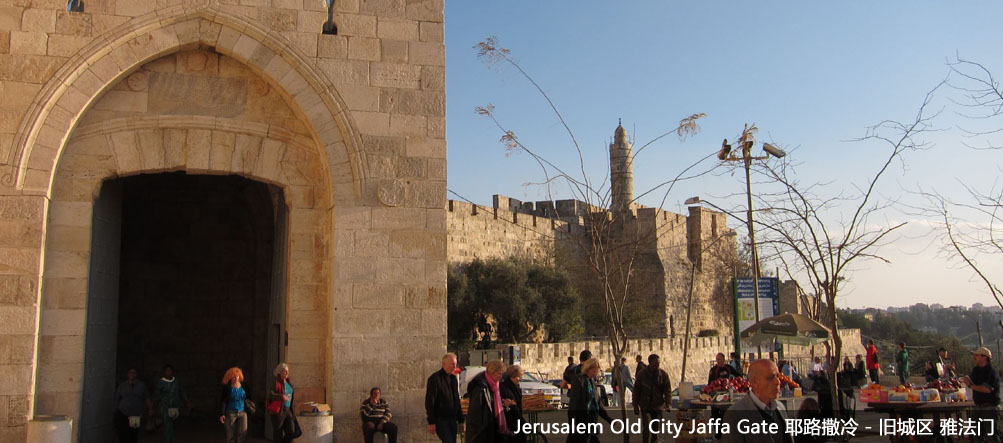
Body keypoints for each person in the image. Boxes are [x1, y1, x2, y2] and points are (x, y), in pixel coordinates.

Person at [721, 359, 794, 443]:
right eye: (770, 378)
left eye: (777, 376)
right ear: (755, 382)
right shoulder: (735, 414)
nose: (777, 382)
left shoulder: (780, 408)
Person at [567, 358, 613, 443]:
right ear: (588, 369)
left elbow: (598, 403)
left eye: (596, 371)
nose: (595, 374)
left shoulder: (592, 382)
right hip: (581, 422)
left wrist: (609, 419)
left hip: (591, 423)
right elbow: (574, 402)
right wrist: (572, 422)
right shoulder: (579, 380)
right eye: (594, 371)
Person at [962, 347, 1000, 443]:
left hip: (989, 408)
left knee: (991, 437)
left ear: (984, 357)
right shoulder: (976, 370)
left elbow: (987, 389)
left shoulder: (991, 372)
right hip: (977, 407)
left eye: (977, 355)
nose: (975, 357)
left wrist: (970, 385)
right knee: (976, 436)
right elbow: (971, 379)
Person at [426, 353, 465, 443]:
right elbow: (430, 401)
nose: (454, 366)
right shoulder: (435, 379)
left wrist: (461, 420)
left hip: (452, 418)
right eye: (451, 364)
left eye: (455, 364)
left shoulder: (453, 379)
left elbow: (456, 399)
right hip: (441, 419)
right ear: (444, 364)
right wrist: (431, 422)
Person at [466, 359, 508, 443]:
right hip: (482, 431)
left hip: (492, 427)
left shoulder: (495, 385)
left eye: (502, 374)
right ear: (492, 372)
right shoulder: (480, 387)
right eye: (499, 373)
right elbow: (475, 413)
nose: (501, 376)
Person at [633, 354, 671, 443]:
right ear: (650, 363)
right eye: (656, 363)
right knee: (646, 427)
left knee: (655, 429)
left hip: (657, 405)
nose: (658, 365)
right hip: (645, 405)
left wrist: (668, 403)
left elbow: (667, 390)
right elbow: (636, 390)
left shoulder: (663, 375)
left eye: (659, 363)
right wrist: (635, 405)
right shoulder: (642, 374)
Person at [153, 364, 191, 443]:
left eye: (170, 370)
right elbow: (157, 395)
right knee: (167, 425)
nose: (168, 372)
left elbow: (182, 392)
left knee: (173, 425)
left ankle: (171, 439)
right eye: (167, 371)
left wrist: (187, 402)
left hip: (175, 406)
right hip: (165, 406)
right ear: (164, 372)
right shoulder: (161, 382)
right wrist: (154, 406)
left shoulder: (176, 382)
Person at [115, 368, 153, 443]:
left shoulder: (142, 385)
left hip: (136, 413)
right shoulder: (122, 385)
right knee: (123, 433)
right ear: (127, 374)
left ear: (136, 374)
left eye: (134, 372)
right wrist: (115, 410)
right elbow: (117, 398)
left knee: (134, 433)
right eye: (130, 372)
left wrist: (150, 408)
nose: (132, 374)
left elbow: (147, 397)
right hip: (123, 412)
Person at [267, 363, 296, 443]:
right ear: (279, 372)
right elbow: (270, 394)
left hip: (288, 410)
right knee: (278, 434)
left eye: (287, 371)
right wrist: (281, 396)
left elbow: (291, 398)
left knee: (291, 432)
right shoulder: (276, 383)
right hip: (279, 411)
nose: (286, 373)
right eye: (284, 371)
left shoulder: (289, 383)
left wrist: (293, 413)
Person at [219, 367, 249, 443]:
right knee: (230, 436)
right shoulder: (227, 388)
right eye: (233, 376)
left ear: (240, 376)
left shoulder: (244, 386)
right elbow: (223, 401)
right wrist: (222, 414)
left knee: (242, 434)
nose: (235, 378)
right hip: (230, 413)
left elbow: (249, 398)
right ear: (229, 377)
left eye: (237, 376)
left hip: (242, 412)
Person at [499, 365, 525, 443]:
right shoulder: (505, 387)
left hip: (516, 417)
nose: (519, 379)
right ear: (512, 376)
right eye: (518, 377)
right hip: (510, 420)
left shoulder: (515, 386)